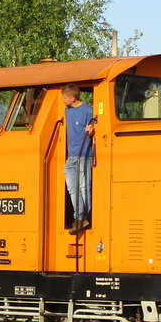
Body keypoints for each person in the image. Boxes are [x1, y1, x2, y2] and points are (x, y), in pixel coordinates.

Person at [61, 84, 95, 232]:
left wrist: (92, 131)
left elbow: (97, 128)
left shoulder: (88, 110)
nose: (62, 99)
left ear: (72, 98)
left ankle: (82, 217)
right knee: (72, 187)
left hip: (84, 154)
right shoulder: (67, 111)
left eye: (64, 97)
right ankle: (81, 216)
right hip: (71, 155)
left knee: (83, 186)